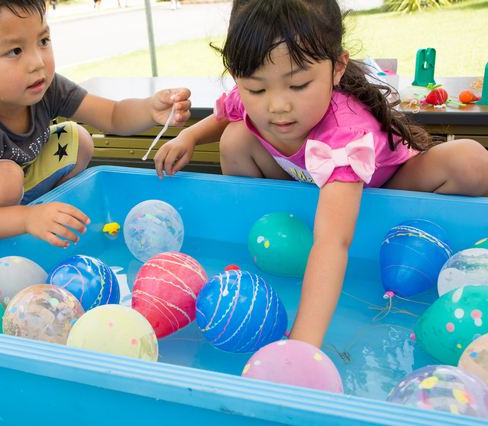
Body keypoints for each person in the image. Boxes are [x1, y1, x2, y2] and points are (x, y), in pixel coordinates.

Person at [153, 0, 488, 348]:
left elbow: (332, 242)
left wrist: (301, 345)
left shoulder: (345, 132)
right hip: (308, 186)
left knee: (469, 160)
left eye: (298, 86)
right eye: (256, 88)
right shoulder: (260, 95)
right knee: (235, 138)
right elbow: (228, 113)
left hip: (388, 183)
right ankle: (271, 240)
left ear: (338, 68)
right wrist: (188, 135)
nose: (277, 105)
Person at [0, 0, 191, 251]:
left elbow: (113, 115)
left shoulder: (45, 87)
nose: (38, 62)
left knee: (78, 139)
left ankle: (36, 218)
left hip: (13, 181)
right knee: (6, 179)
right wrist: (28, 218)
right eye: (15, 51)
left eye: (43, 41)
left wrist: (149, 109)